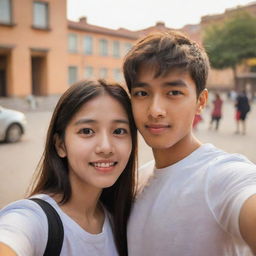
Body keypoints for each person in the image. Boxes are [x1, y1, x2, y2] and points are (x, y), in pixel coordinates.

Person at [123, 31, 256, 255]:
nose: (155, 110)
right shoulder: (136, 182)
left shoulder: (221, 176)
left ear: (200, 102)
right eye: (142, 93)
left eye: (173, 92)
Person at [0, 80, 137, 256]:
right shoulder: (34, 219)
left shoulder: (119, 219)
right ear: (60, 145)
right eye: (87, 131)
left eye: (119, 131)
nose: (106, 147)